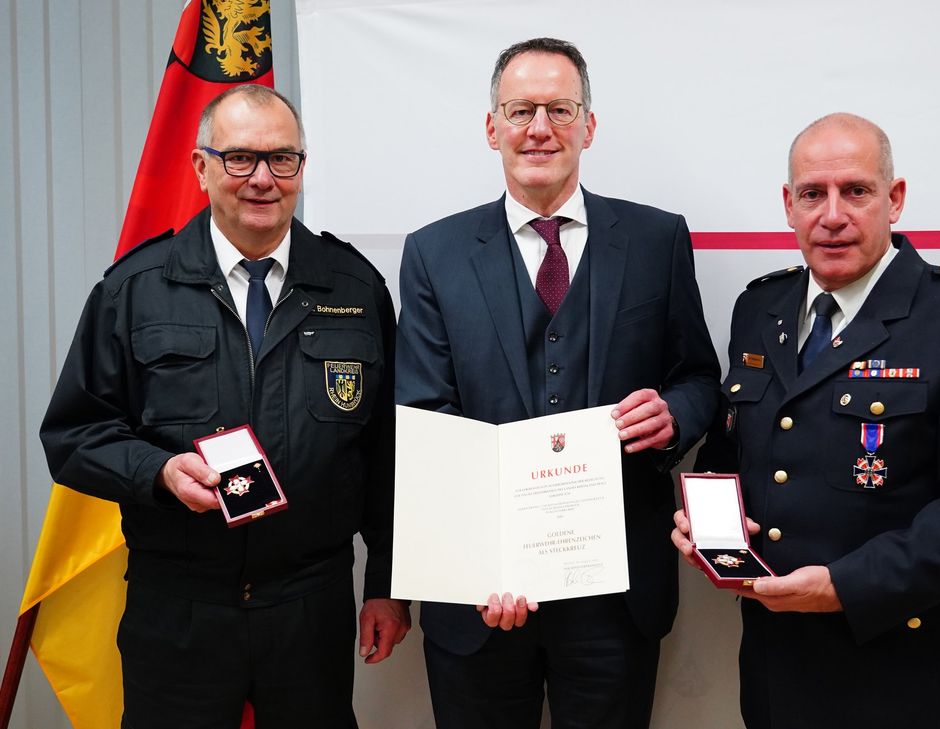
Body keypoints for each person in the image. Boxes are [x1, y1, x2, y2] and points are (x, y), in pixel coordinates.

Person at [40, 85, 409, 729]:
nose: (262, 179)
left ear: (301, 167)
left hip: (310, 608)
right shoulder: (135, 289)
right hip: (178, 608)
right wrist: (159, 473)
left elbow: (389, 455)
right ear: (200, 167)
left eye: (282, 158)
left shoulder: (355, 288)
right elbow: (74, 436)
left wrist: (385, 585)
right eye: (239, 158)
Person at [672, 112, 940, 729]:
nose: (832, 215)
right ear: (788, 205)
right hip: (774, 671)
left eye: (855, 191)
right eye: (811, 194)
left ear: (894, 199)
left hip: (902, 678)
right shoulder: (760, 308)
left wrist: (846, 586)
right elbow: (732, 451)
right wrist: (709, 526)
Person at [396, 38, 719, 729]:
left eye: (560, 110)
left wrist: (673, 416)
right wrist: (476, 564)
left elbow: (697, 376)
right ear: (492, 128)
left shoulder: (657, 239)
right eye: (520, 110)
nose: (539, 128)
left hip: (616, 596)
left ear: (588, 126)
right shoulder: (433, 253)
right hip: (481, 598)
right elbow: (425, 414)